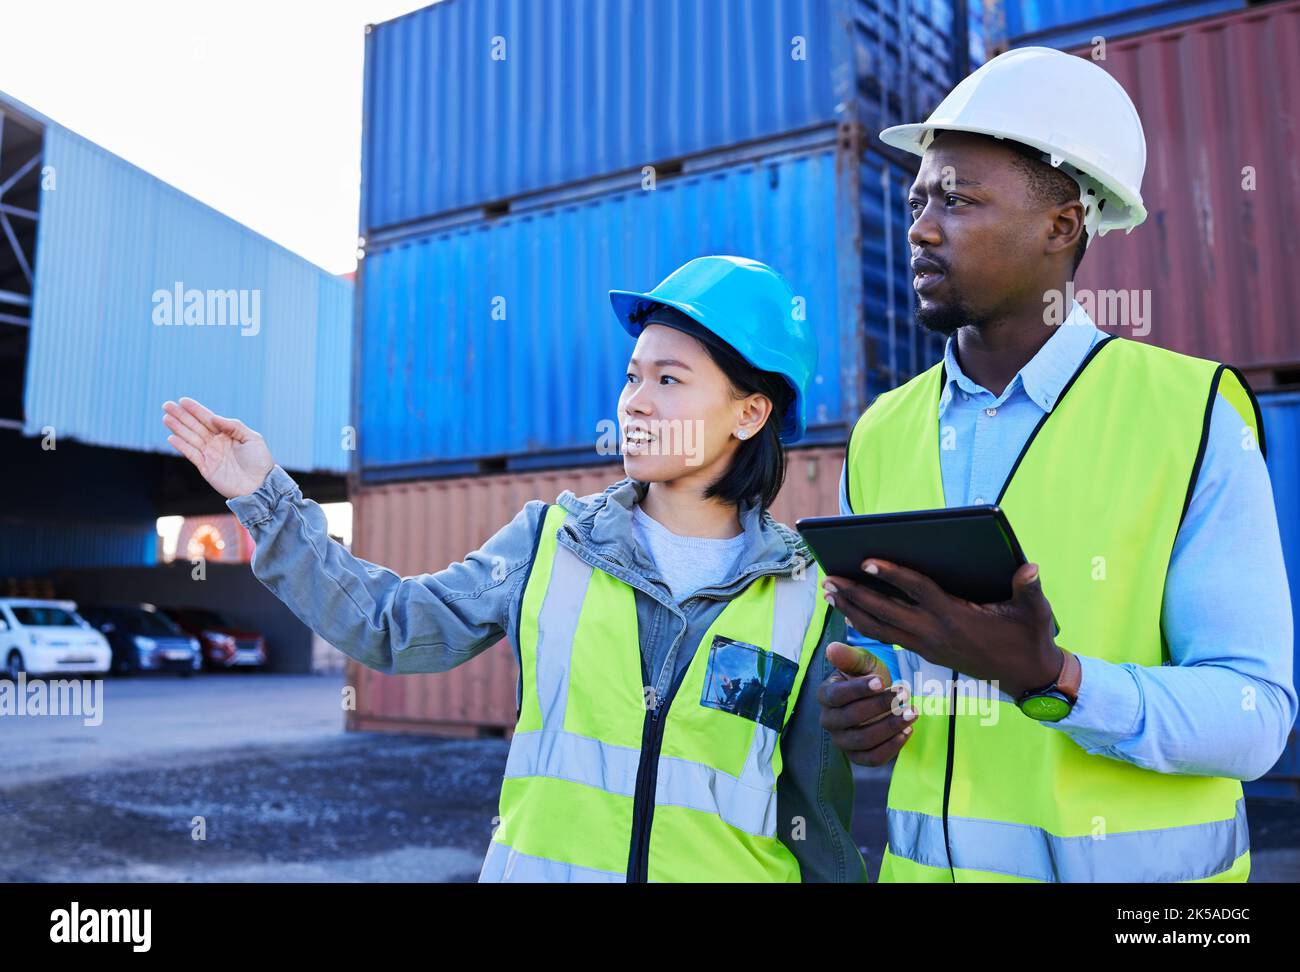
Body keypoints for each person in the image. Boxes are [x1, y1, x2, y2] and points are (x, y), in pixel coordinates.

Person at [163, 254, 867, 883]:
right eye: (632, 376)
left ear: (749, 413)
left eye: (669, 379)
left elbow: (819, 823)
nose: (635, 401)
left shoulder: (806, 593)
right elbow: (392, 626)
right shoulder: (550, 542)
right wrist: (267, 501)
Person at [819, 47, 1296, 882]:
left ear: (1062, 225)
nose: (921, 228)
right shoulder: (880, 432)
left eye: (958, 201)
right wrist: (875, 694)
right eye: (918, 200)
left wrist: (1054, 679)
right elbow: (896, 655)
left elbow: (1255, 720)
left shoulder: (1192, 418)